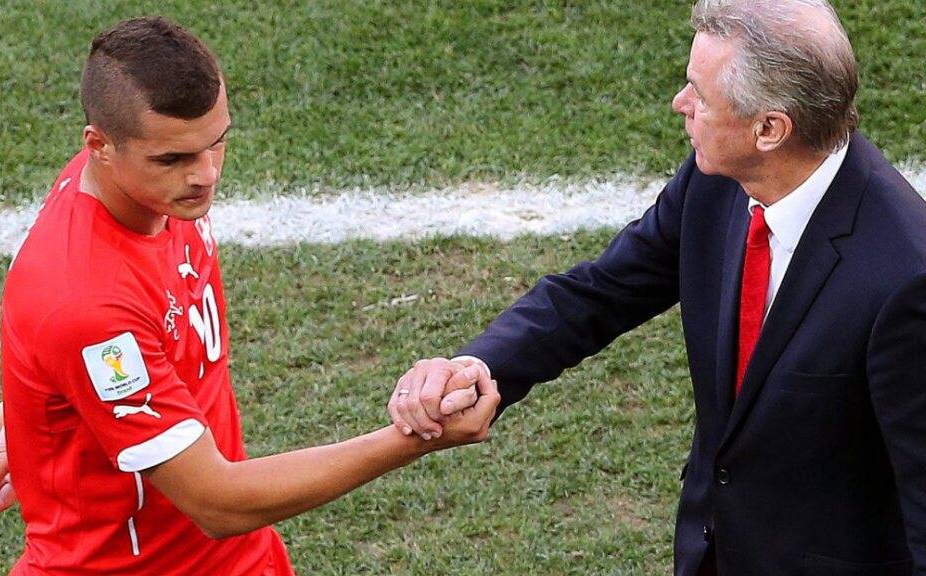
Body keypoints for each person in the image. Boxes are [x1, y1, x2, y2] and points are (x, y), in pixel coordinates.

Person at [391, 1, 926, 574]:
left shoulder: (906, 279)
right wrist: (478, 366)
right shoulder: (717, 180)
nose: (681, 103)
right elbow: (601, 291)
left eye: (699, 92)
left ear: (769, 128)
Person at [0, 16, 496, 575]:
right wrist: (413, 439)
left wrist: (40, 412)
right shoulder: (85, 298)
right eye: (174, 159)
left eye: (216, 144)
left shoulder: (148, 195)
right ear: (100, 146)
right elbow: (218, 503)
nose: (205, 175)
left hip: (238, 559)